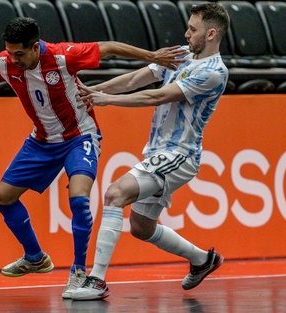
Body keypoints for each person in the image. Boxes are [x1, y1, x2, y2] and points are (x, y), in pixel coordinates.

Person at [0, 17, 186, 299]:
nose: (13, 59)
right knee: (2, 197)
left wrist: (152, 56)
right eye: (9, 51)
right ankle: (35, 257)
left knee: (78, 198)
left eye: (19, 53)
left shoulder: (63, 56)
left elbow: (108, 47)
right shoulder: (3, 63)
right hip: (41, 141)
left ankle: (78, 271)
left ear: (35, 47)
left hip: (80, 137)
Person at [70, 2, 230, 300]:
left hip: (179, 155)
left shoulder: (214, 72)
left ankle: (96, 280)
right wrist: (92, 92)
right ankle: (202, 259)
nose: (186, 33)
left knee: (115, 193)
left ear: (210, 34)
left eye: (193, 30)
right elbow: (136, 79)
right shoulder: (182, 55)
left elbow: (157, 95)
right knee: (141, 227)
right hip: (158, 152)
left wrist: (106, 99)